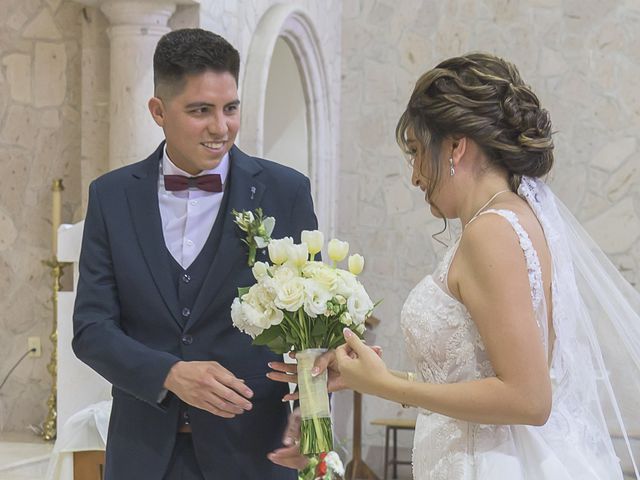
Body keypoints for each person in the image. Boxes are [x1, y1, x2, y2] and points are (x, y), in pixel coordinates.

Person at [269, 53, 640, 479]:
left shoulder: (492, 232)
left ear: (456, 146)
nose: (414, 176)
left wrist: (386, 386)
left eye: (415, 151)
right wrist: (372, 375)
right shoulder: (511, 219)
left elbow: (529, 399)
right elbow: (481, 372)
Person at [73, 28, 317, 480]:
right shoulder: (110, 197)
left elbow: (310, 324)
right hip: (143, 455)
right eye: (200, 111)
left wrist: (313, 417)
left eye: (230, 108)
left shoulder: (286, 192)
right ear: (158, 111)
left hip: (255, 454)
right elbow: (91, 329)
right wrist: (169, 373)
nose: (220, 127)